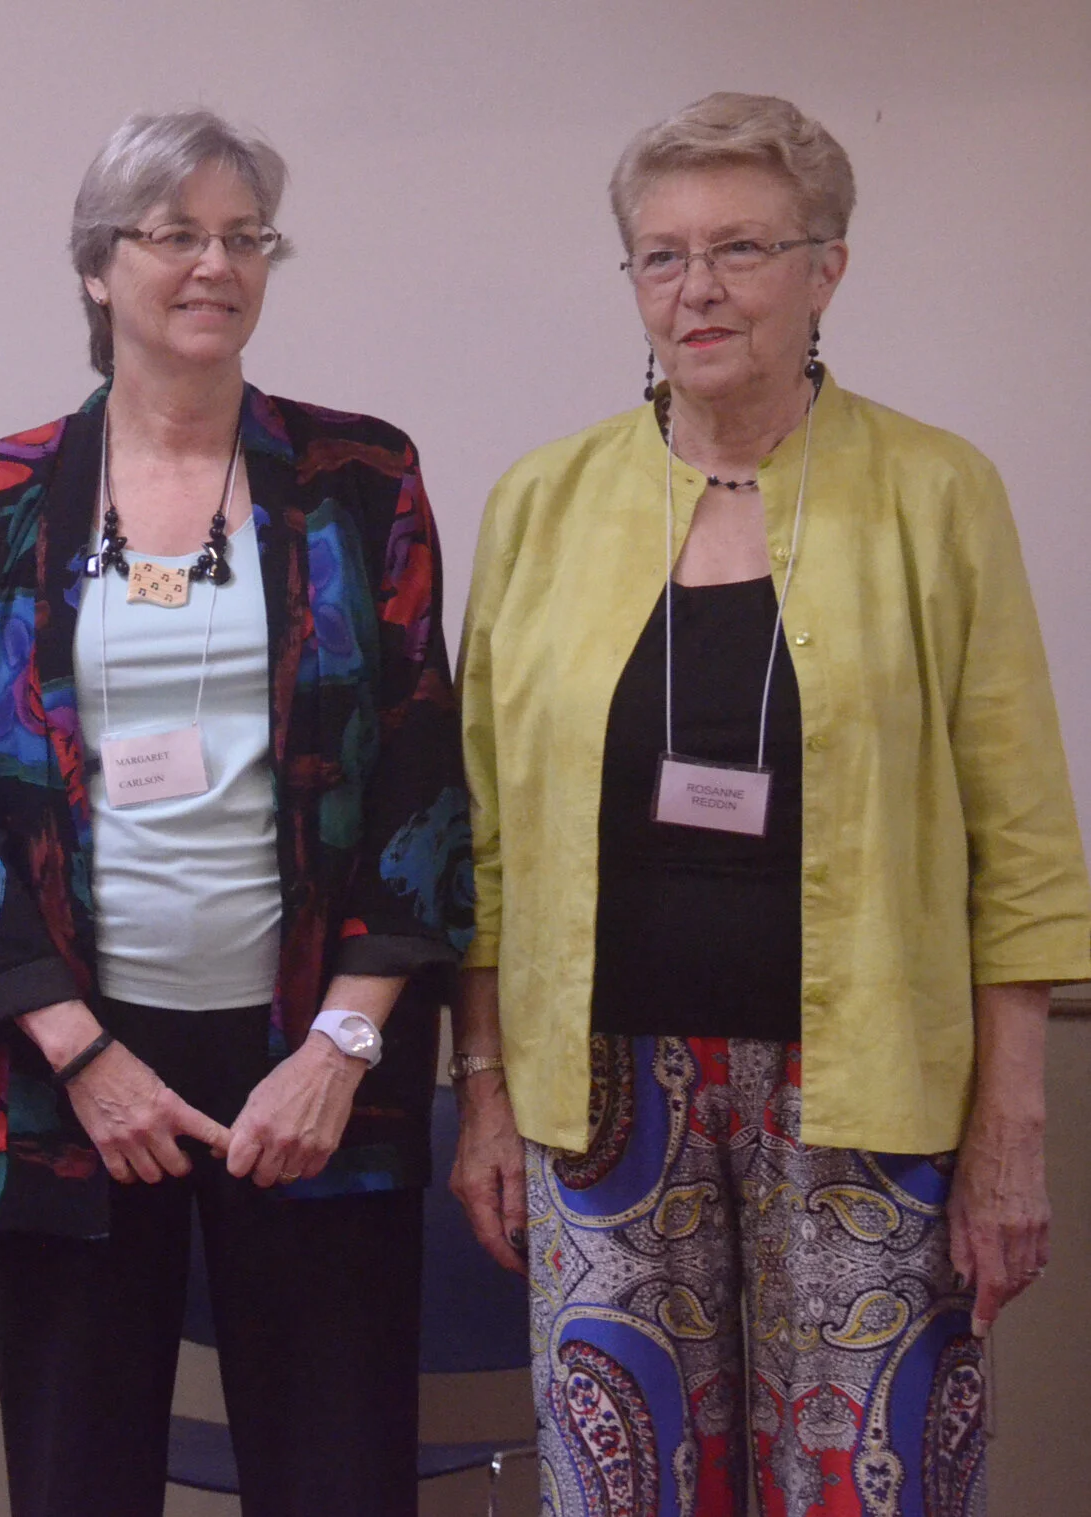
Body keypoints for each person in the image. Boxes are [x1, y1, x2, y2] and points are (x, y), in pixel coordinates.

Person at [450, 92, 1091, 1516]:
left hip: (867, 1098)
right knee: (624, 1485)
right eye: (660, 255)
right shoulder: (540, 505)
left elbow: (1025, 841)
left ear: (827, 268)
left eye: (740, 248)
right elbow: (481, 836)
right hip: (600, 1098)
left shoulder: (936, 494)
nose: (697, 289)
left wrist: (1012, 1127)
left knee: (866, 1482)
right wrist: (483, 1093)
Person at [0, 109, 473, 1517]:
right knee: (79, 1472)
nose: (213, 264)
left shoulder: (360, 479)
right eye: (176, 235)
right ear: (101, 268)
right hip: (68, 1076)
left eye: (243, 236)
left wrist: (343, 1045)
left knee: (337, 1472)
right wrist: (79, 1051)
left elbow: (418, 770)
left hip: (319, 1064)